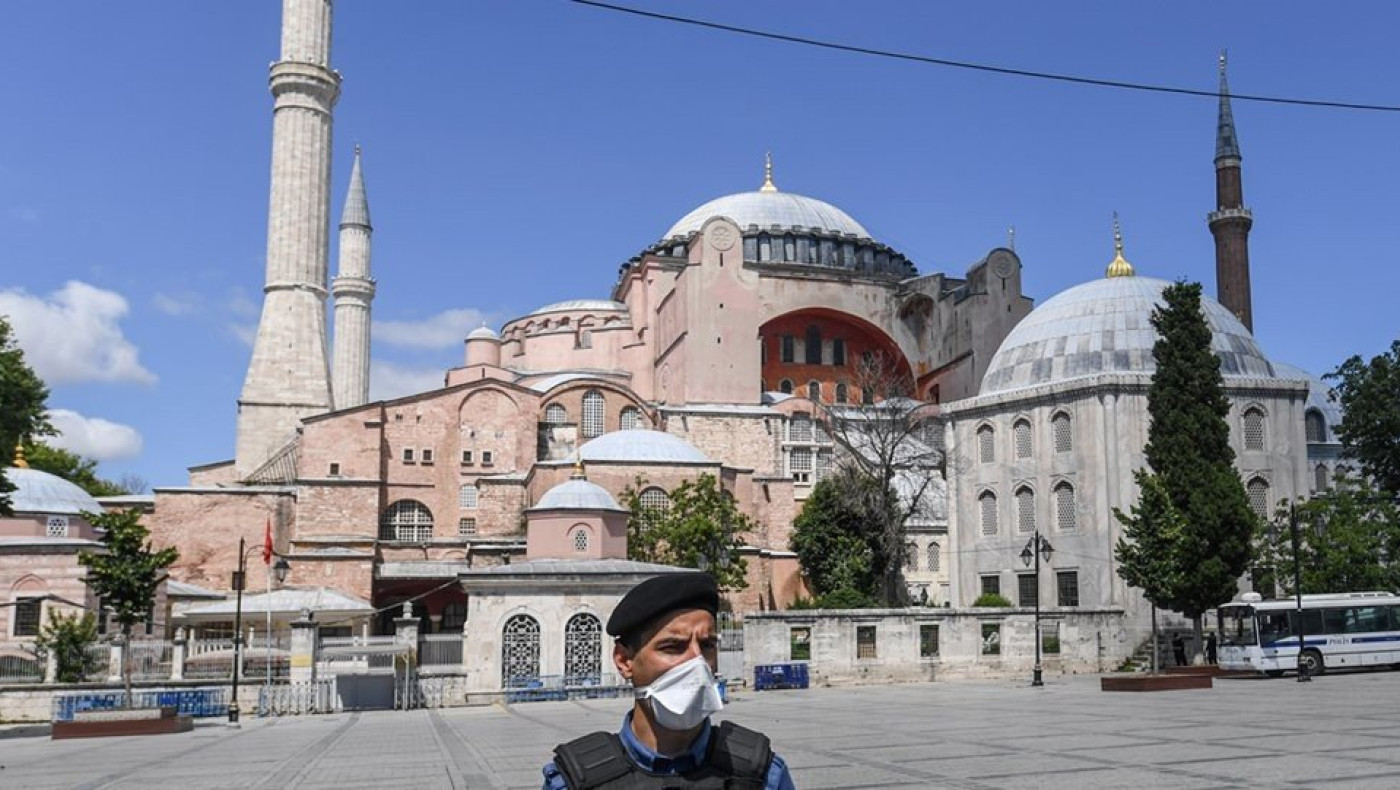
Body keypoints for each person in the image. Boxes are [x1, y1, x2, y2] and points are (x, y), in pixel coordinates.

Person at [543, 572, 796, 789]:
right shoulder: (572, 780)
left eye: (707, 645)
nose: (697, 662)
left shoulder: (762, 775)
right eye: (673, 647)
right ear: (624, 661)